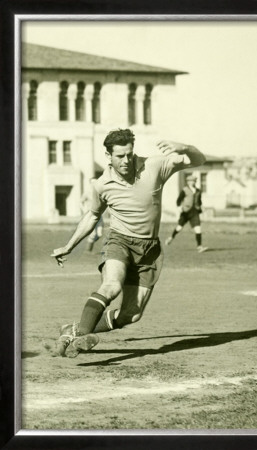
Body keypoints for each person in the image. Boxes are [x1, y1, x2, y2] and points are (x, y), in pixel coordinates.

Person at [50, 128, 206, 358]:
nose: (126, 160)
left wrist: (185, 147)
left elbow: (198, 160)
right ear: (109, 156)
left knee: (131, 315)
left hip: (150, 250)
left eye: (129, 154)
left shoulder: (154, 166)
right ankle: (82, 336)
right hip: (119, 242)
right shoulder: (101, 185)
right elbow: (93, 216)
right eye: (120, 156)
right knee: (112, 286)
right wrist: (69, 246)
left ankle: (71, 330)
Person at [165, 174, 208, 252]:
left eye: (194, 181)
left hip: (195, 212)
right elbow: (178, 200)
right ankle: (171, 238)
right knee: (179, 227)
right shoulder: (184, 190)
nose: (192, 182)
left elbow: (199, 201)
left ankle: (199, 247)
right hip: (186, 212)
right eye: (191, 181)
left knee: (198, 229)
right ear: (188, 182)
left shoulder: (198, 191)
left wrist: (202, 207)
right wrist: (179, 208)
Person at [80, 178, 104, 253]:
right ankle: (88, 250)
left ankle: (90, 244)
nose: (94, 184)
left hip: (99, 215)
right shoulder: (87, 192)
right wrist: (84, 209)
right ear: (90, 183)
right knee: (93, 233)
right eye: (92, 182)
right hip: (90, 214)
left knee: (100, 234)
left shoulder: (100, 192)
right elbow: (80, 202)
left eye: (95, 182)